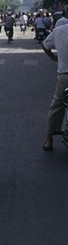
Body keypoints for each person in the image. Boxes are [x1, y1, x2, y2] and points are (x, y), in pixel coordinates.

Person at [41, 15, 68, 151]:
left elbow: (45, 45)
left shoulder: (58, 31)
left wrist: (53, 57)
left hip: (64, 76)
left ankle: (49, 139)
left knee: (56, 106)